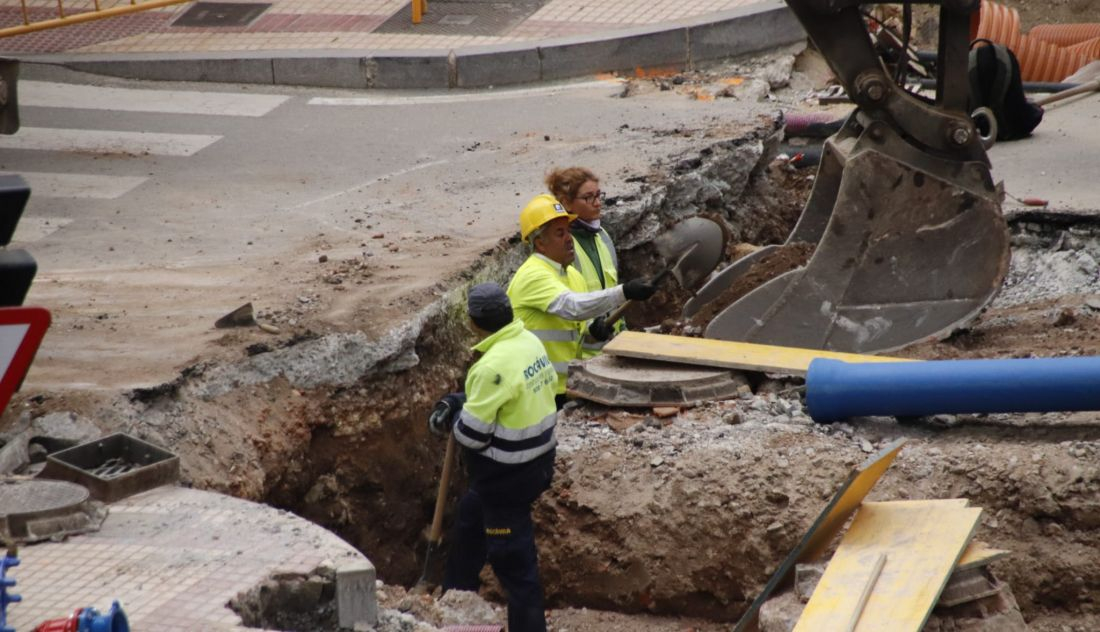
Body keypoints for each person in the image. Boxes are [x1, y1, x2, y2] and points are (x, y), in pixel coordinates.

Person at [429, 282, 559, 632]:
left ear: (474, 324)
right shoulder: (528, 342)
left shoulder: (489, 368)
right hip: (539, 463)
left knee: (515, 567)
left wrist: (454, 416)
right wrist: (461, 401)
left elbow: (471, 436)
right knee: (471, 517)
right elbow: (502, 396)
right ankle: (456, 594)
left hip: (506, 482)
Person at [506, 194, 658, 407]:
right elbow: (574, 307)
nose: (569, 239)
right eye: (560, 233)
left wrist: (593, 334)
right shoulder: (533, 274)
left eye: (568, 231)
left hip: (566, 385)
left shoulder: (572, 276)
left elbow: (576, 333)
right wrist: (624, 292)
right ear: (540, 243)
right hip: (536, 389)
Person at [545, 166, 624, 357]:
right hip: (583, 355)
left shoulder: (602, 236)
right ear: (566, 203)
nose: (597, 203)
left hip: (613, 346)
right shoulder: (562, 248)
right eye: (589, 197)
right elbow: (567, 304)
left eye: (599, 195)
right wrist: (593, 328)